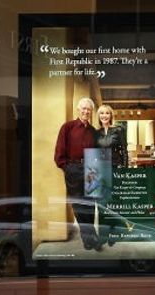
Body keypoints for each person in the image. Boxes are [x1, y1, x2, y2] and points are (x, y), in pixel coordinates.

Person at [54, 97, 101, 251]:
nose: (86, 111)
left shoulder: (94, 131)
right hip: (73, 169)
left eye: (89, 109)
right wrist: (67, 168)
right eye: (84, 108)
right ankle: (89, 238)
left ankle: (91, 237)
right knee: (78, 205)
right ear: (78, 109)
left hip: (91, 169)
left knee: (90, 204)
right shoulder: (67, 127)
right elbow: (59, 151)